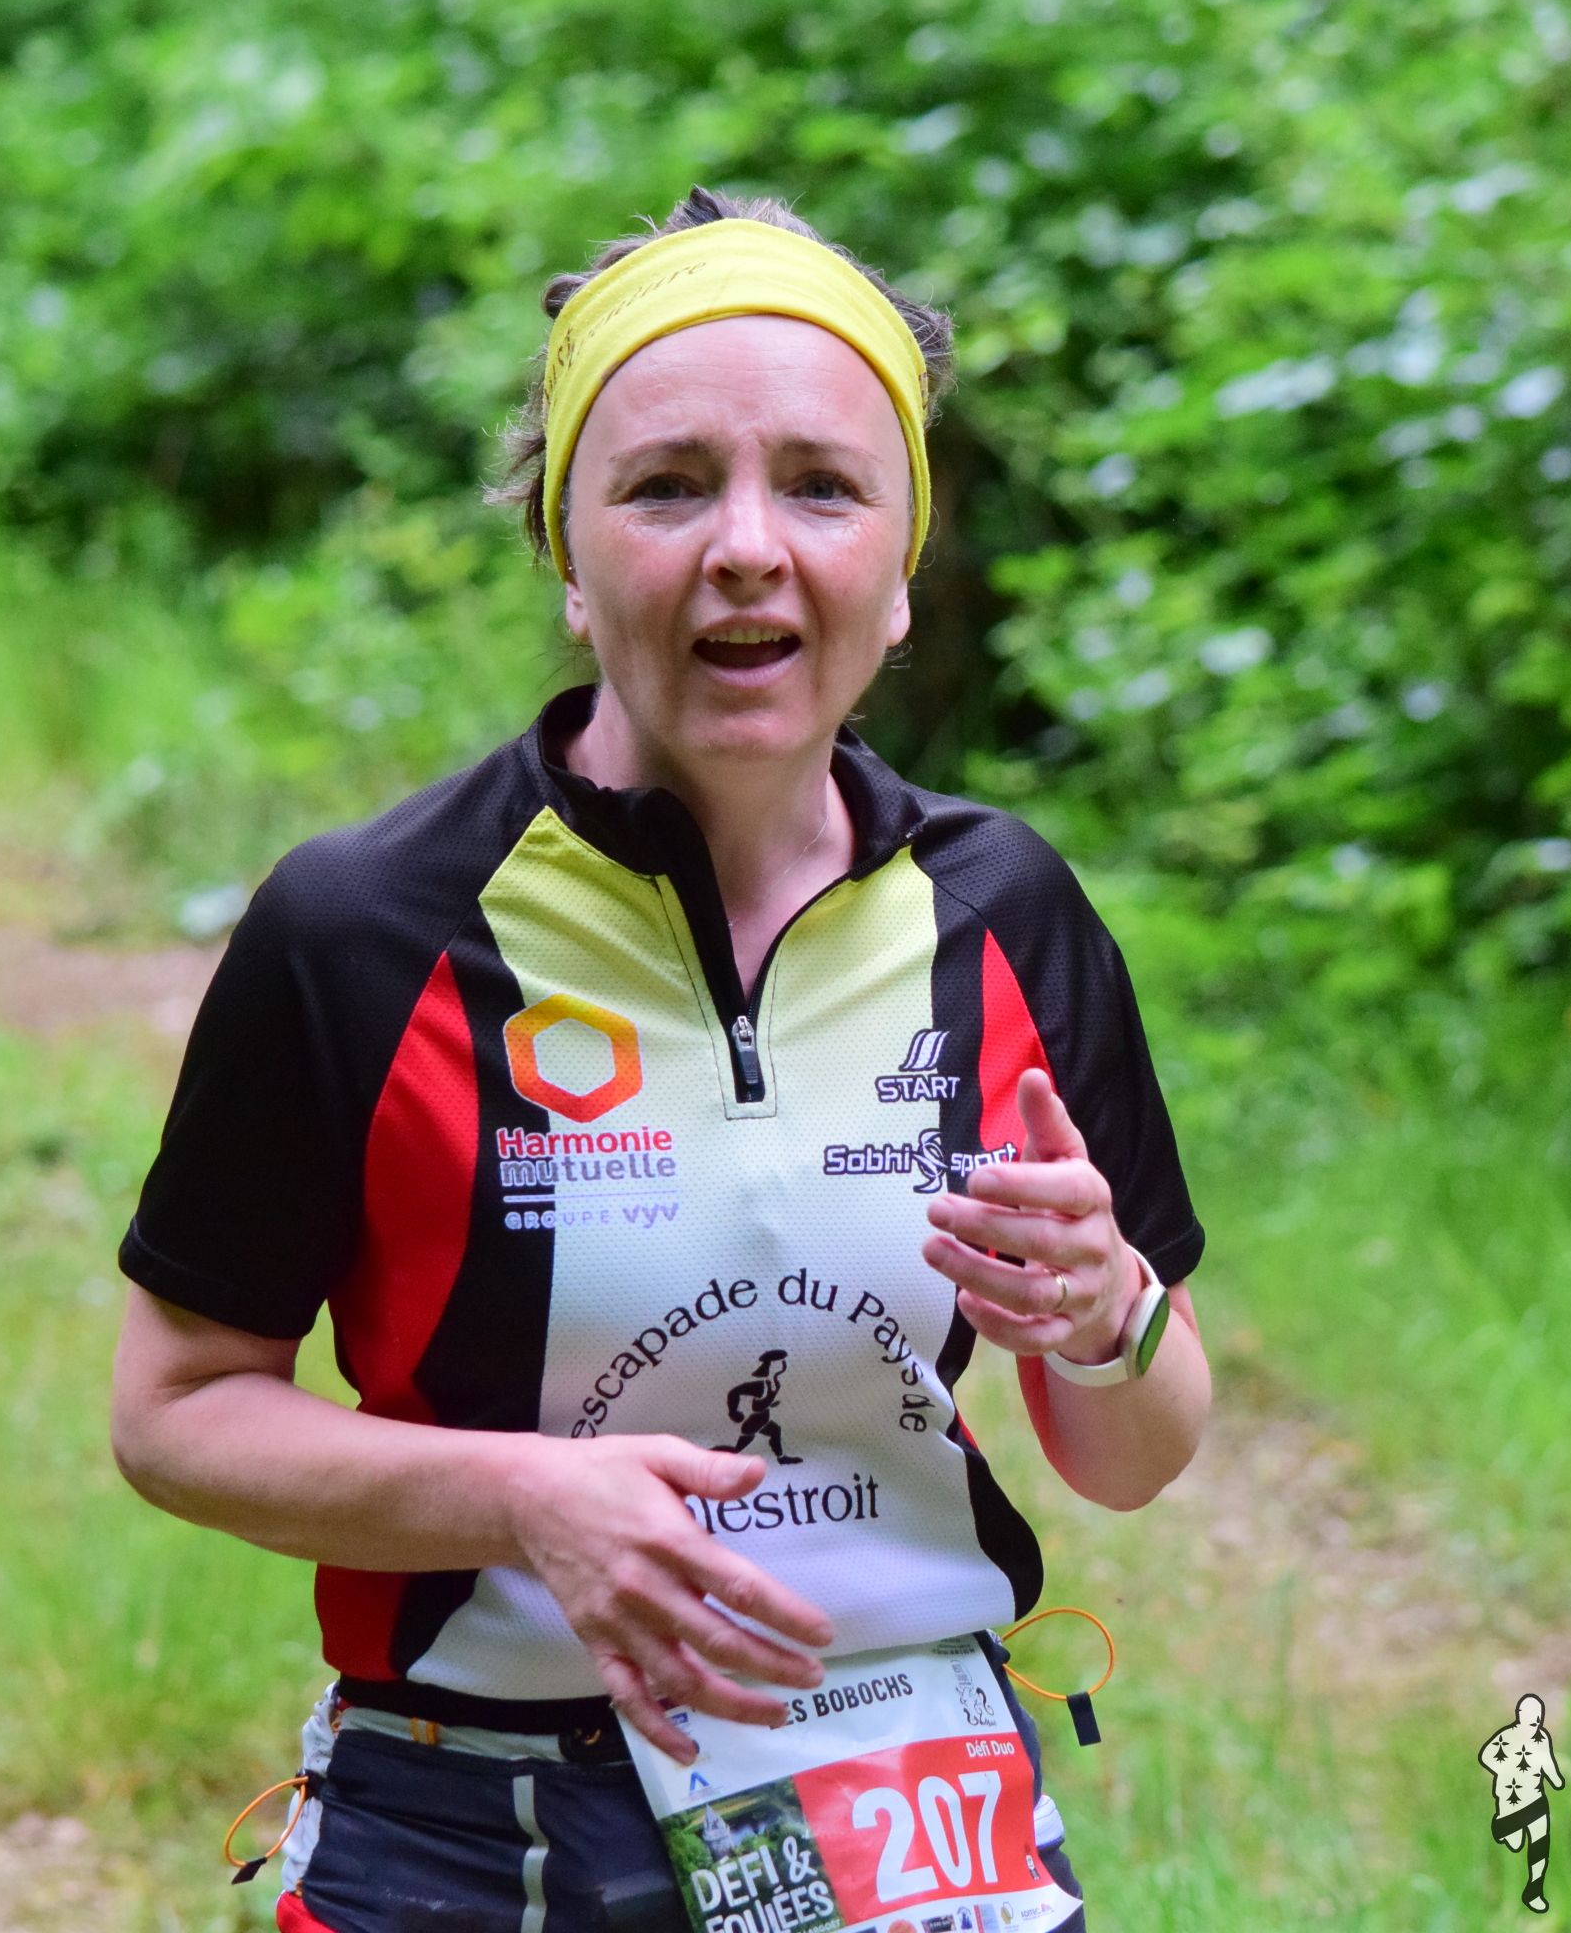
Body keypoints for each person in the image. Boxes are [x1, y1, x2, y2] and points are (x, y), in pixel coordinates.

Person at [107, 184, 1212, 1933]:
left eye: (823, 486)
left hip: (914, 1798)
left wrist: (1107, 1311)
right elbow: (174, 1415)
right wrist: (526, 1501)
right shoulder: (363, 930)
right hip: (473, 1823)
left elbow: (1137, 1451)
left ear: (900, 577)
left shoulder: (1007, 915)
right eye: (669, 486)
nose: (748, 547)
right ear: (570, 557)